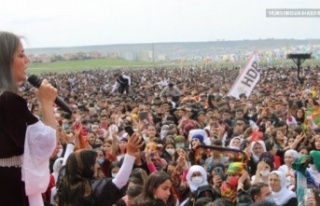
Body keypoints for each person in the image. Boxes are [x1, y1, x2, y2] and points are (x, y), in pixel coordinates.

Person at [0, 31, 58, 205]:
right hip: (10, 188)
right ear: (4, 61)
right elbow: (47, 145)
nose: (27, 60)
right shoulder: (7, 101)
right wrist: (46, 103)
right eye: (21, 54)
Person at [55, 134, 142, 206]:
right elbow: (120, 181)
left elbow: (67, 164)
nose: (98, 166)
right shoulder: (90, 187)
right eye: (94, 162)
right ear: (85, 166)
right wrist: (130, 153)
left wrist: (70, 144)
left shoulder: (63, 181)